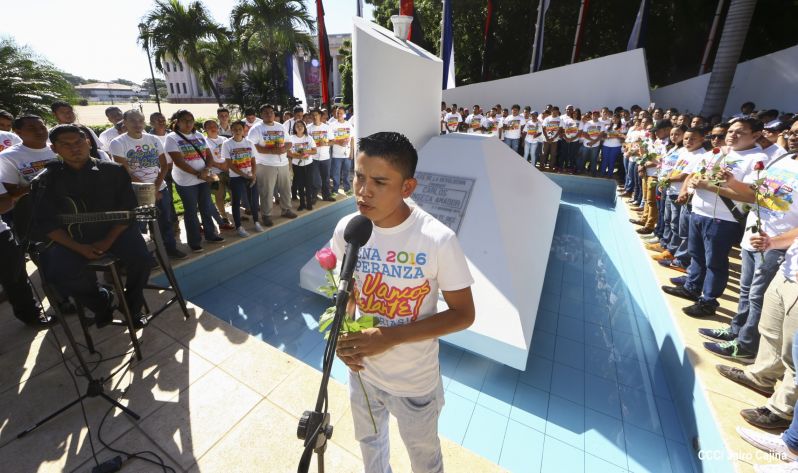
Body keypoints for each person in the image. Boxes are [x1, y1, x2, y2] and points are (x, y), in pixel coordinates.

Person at [332, 131, 475, 473]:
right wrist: (343, 334)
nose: (364, 190)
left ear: (407, 188)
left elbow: (463, 314)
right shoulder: (348, 230)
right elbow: (346, 292)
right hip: (363, 373)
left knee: (424, 459)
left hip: (414, 384)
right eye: (359, 177)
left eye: (379, 182)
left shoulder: (437, 239)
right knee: (370, 447)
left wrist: (390, 337)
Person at [32, 125, 152, 328]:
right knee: (57, 272)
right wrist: (79, 248)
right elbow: (45, 222)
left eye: (78, 142)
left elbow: (127, 210)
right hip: (73, 238)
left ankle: (131, 306)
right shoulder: (46, 180)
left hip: (116, 231)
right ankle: (100, 302)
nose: (74, 148)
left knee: (142, 260)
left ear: (88, 143)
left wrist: (108, 240)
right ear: (54, 149)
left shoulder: (113, 171)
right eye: (66, 145)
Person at [701, 120, 798, 361]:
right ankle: (736, 331)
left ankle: (746, 346)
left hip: (776, 244)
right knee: (746, 292)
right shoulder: (783, 161)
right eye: (792, 132)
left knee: (758, 297)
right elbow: (758, 192)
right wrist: (733, 182)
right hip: (753, 236)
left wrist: (776, 241)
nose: (794, 137)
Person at [662, 118, 766, 317]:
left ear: (756, 135)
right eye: (730, 131)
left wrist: (711, 187)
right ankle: (692, 287)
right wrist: (688, 190)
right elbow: (694, 175)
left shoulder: (757, 159)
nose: (731, 136)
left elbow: (751, 196)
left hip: (723, 219)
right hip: (699, 211)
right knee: (697, 255)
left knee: (715, 262)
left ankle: (708, 301)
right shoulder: (716, 153)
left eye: (739, 132)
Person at [108, 110, 186, 260]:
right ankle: (146, 256)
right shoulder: (118, 143)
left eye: (140, 120)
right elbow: (125, 171)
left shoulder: (153, 139)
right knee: (141, 225)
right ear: (124, 122)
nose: (137, 124)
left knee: (165, 221)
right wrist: (148, 191)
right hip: (138, 192)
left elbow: (163, 165)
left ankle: (169, 248)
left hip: (160, 188)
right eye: (132, 120)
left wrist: (156, 188)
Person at [164, 110, 225, 252]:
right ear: (177, 122)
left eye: (191, 120)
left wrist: (206, 170)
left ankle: (210, 234)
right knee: (191, 211)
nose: (189, 123)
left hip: (203, 178)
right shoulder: (172, 138)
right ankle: (194, 241)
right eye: (185, 120)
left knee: (205, 207)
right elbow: (178, 162)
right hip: (186, 182)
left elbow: (208, 155)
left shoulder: (198, 135)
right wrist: (199, 174)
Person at [247, 104, 297, 227]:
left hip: (283, 163)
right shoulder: (256, 128)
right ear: (261, 115)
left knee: (286, 188)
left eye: (271, 112)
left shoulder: (280, 126)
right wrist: (270, 151)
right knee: (266, 191)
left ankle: (286, 209)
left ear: (274, 114)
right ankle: (266, 215)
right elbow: (251, 146)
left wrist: (284, 147)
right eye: (266, 112)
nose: (269, 114)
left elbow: (289, 142)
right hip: (265, 164)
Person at [222, 120, 263, 237]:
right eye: (235, 129)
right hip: (236, 177)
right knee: (236, 202)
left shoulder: (249, 143)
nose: (238, 131)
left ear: (243, 129)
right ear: (231, 130)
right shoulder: (227, 144)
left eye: (240, 129)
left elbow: (253, 161)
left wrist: (253, 174)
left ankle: (256, 222)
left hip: (250, 176)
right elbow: (229, 164)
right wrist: (244, 175)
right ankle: (239, 226)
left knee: (254, 201)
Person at [203, 120, 234, 230]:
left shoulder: (224, 139)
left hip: (228, 171)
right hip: (214, 173)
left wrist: (226, 164)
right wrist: (219, 166)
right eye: (209, 126)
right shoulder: (203, 142)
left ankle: (234, 212)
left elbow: (231, 153)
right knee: (219, 195)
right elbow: (206, 158)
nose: (213, 128)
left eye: (214, 126)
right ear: (205, 129)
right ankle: (223, 216)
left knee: (233, 193)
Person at [287, 120, 317, 211]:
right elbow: (288, 152)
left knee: (308, 184)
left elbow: (314, 151)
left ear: (304, 127)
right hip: (297, 165)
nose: (299, 127)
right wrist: (297, 156)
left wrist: (305, 151)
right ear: (294, 128)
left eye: (301, 126)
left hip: (308, 164)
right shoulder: (291, 138)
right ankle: (302, 204)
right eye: (297, 126)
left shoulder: (309, 138)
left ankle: (309, 203)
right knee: (300, 185)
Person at [308, 108, 335, 202]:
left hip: (325, 157)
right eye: (313, 115)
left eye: (317, 115)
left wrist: (326, 144)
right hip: (313, 158)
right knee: (315, 179)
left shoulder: (327, 127)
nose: (315, 117)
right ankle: (314, 196)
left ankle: (326, 196)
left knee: (326, 178)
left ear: (320, 116)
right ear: (311, 117)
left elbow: (332, 141)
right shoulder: (308, 128)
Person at [329, 107, 355, 195]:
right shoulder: (332, 125)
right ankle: (335, 190)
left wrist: (351, 152)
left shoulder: (348, 125)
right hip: (336, 155)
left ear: (344, 114)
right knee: (336, 174)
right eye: (337, 113)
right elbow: (330, 140)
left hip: (347, 154)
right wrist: (338, 142)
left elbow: (352, 139)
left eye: (341, 113)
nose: (339, 115)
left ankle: (347, 189)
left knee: (346, 173)